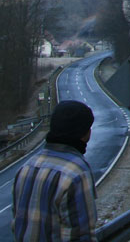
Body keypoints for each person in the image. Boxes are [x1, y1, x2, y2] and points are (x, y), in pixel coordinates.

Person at [12, 100, 97, 242]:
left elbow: (18, 223)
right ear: (85, 134)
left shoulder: (25, 168)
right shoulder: (76, 173)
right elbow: (82, 234)